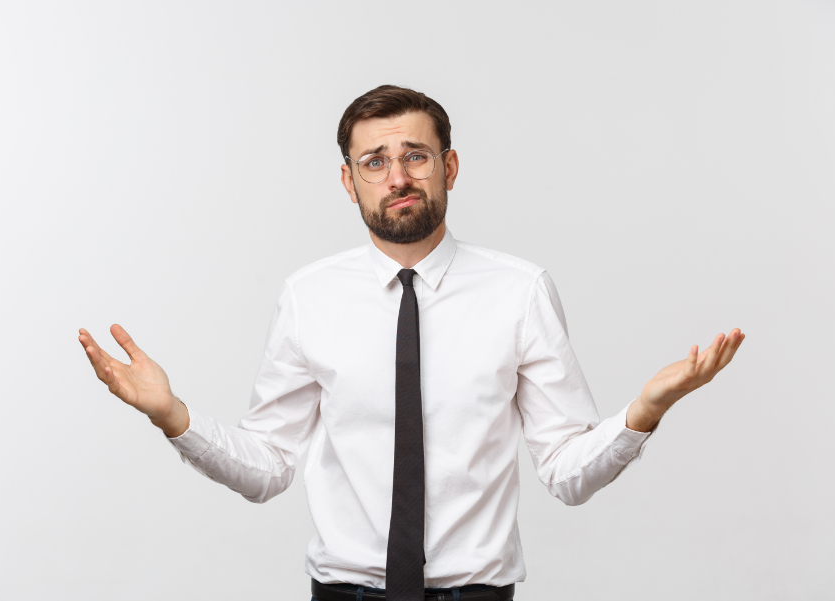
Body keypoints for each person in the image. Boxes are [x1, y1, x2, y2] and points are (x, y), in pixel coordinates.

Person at [78, 85, 744, 601]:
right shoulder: (309, 295)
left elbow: (566, 472)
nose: (397, 176)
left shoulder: (519, 291)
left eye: (414, 155)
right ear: (349, 182)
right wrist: (173, 416)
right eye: (374, 161)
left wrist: (644, 411)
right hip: (343, 589)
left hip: (476, 592)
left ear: (448, 166)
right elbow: (268, 465)